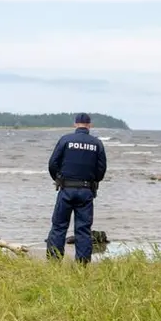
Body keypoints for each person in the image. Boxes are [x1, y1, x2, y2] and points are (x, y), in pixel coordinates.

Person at [45, 112, 107, 264]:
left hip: (66, 189)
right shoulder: (97, 143)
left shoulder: (65, 140)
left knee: (59, 227)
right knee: (83, 230)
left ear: (75, 124)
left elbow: (53, 163)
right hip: (86, 190)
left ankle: (54, 261)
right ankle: (82, 264)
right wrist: (93, 181)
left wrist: (58, 179)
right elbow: (101, 169)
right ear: (89, 125)